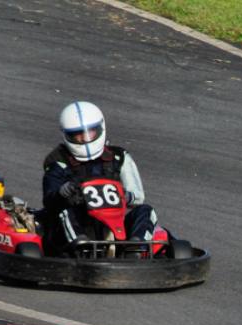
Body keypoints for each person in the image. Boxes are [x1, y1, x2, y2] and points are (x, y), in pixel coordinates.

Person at [41, 101, 159, 251]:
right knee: (65, 212)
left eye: (90, 132)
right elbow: (49, 201)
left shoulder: (118, 157)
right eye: (78, 135)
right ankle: (82, 249)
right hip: (77, 227)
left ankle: (134, 250)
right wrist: (63, 192)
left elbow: (138, 197)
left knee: (146, 211)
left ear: (100, 129)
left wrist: (125, 196)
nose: (85, 139)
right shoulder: (58, 161)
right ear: (67, 135)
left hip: (114, 225)